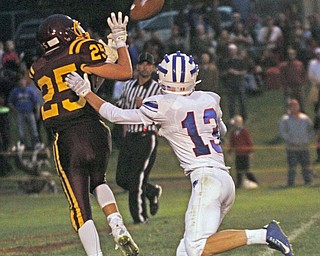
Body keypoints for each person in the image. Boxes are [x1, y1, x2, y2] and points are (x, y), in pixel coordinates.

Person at [66, 51, 294, 256]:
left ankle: (264, 234)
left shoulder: (161, 104)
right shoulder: (211, 99)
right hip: (224, 180)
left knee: (197, 246)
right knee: (185, 251)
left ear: (163, 77)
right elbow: (221, 130)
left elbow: (115, 115)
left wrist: (85, 91)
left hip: (206, 181)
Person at [29, 12, 139, 256]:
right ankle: (116, 224)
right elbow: (121, 72)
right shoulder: (82, 49)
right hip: (95, 131)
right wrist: (119, 43)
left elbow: (72, 84)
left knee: (80, 207)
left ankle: (95, 254)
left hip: (67, 139)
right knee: (98, 182)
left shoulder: (37, 68)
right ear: (67, 33)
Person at [115, 52, 162, 224]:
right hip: (130, 136)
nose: (145, 67)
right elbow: (120, 107)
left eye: (148, 64)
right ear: (137, 66)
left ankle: (139, 218)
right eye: (142, 63)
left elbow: (163, 111)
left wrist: (146, 107)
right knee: (121, 179)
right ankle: (151, 192)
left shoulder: (157, 88)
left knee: (136, 178)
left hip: (146, 135)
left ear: (153, 67)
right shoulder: (128, 87)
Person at [279, 99, 314, 187]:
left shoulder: (305, 118)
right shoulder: (285, 119)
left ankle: (308, 182)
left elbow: (311, 130)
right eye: (292, 106)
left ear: (298, 107)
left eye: (296, 106)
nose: (294, 108)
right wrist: (290, 140)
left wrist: (307, 139)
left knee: (306, 166)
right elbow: (282, 132)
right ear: (289, 108)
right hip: (292, 147)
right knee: (292, 167)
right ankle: (291, 183)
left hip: (304, 147)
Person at [8, 75, 41, 150]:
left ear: (25, 82)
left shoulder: (30, 90)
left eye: (23, 81)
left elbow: (36, 102)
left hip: (29, 112)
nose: (22, 83)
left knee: (33, 129)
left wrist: (37, 113)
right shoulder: (15, 91)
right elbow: (10, 102)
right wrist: (15, 110)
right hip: (20, 113)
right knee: (21, 130)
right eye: (20, 81)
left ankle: (35, 144)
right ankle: (24, 145)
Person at [228, 115, 258, 189]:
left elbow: (249, 142)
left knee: (246, 169)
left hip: (245, 153)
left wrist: (251, 151)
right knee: (238, 170)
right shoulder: (233, 133)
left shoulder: (245, 131)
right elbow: (232, 143)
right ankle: (238, 184)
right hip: (238, 154)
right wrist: (230, 152)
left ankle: (254, 181)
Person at [279, 48, 307, 112]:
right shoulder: (284, 65)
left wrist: (303, 83)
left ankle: (302, 115)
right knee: (290, 103)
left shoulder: (299, 64)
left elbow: (304, 74)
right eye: (290, 54)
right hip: (289, 87)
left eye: (293, 54)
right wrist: (286, 87)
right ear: (288, 55)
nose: (291, 55)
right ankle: (290, 116)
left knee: (301, 102)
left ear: (295, 55)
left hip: (299, 86)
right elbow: (283, 78)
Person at [308, 47, 320, 162]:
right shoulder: (312, 64)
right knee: (316, 108)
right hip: (316, 87)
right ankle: (317, 124)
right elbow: (310, 75)